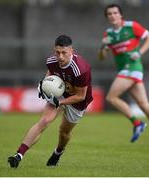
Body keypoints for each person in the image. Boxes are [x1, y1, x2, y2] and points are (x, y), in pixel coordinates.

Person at [8, 35, 93, 168]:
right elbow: (51, 73)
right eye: (57, 52)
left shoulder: (81, 69)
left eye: (64, 53)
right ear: (54, 50)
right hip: (59, 95)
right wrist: (44, 84)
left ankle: (58, 152)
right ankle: (19, 155)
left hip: (77, 101)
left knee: (64, 132)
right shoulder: (52, 61)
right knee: (44, 121)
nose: (60, 57)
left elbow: (80, 96)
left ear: (71, 51)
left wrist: (60, 103)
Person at [98, 4, 149, 147]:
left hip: (132, 67)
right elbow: (101, 57)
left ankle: (137, 123)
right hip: (123, 70)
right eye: (109, 14)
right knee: (143, 104)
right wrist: (102, 47)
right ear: (107, 17)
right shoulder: (108, 34)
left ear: (121, 15)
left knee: (111, 98)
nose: (112, 15)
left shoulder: (131, 26)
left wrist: (139, 52)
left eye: (115, 13)